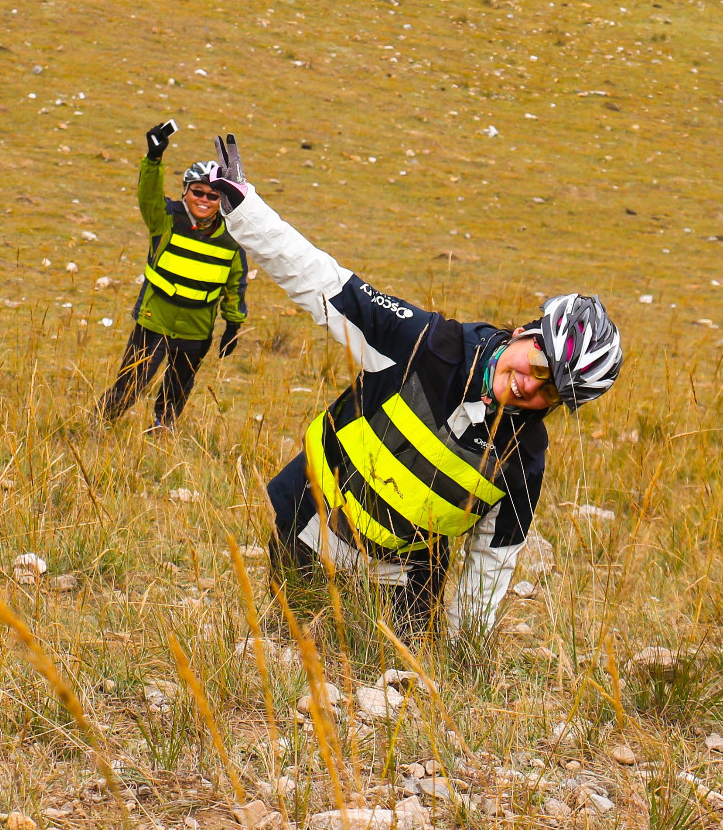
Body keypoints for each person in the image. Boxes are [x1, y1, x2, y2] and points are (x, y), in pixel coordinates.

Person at [197, 134, 621, 640]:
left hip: (406, 579)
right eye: (539, 364)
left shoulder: (524, 457)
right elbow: (325, 283)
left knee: (401, 684)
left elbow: (493, 559)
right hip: (312, 524)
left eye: (551, 391)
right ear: (525, 332)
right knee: (289, 657)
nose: (531, 386)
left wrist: (467, 655)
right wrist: (247, 211)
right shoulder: (427, 343)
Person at [96, 120, 248, 431]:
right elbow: (147, 196)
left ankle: (162, 432)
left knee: (178, 389)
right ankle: (99, 427)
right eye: (198, 192)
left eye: (212, 196)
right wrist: (153, 160)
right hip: (154, 321)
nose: (204, 200)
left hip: (197, 329)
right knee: (131, 383)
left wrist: (233, 323)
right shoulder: (164, 219)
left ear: (222, 200)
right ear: (185, 191)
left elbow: (235, 283)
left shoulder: (231, 238)